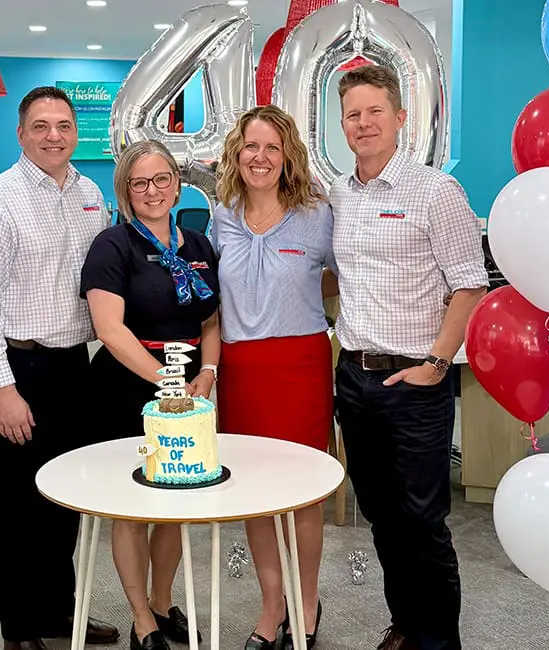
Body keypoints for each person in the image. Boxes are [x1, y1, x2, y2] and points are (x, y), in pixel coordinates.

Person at [329, 65, 488, 650]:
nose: (364, 123)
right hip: (354, 377)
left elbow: (470, 283)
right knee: (381, 515)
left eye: (375, 112)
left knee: (422, 521)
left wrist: (438, 365)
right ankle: (406, 623)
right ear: (341, 125)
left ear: (400, 118)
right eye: (353, 114)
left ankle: (439, 641)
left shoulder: (436, 191)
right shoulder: (338, 196)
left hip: (416, 381)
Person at [0, 86, 120, 650]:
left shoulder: (90, 193)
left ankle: (60, 615)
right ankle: (20, 630)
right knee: (19, 505)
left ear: (77, 133)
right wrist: (2, 388)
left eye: (64, 125)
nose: (54, 135)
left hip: (74, 365)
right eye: (42, 126)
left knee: (64, 502)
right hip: (16, 369)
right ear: (22, 133)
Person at [80, 139, 221, 650]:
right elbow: (110, 330)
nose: (152, 190)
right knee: (132, 507)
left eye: (161, 179)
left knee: (175, 502)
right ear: (125, 193)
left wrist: (206, 373)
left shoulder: (199, 247)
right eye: (139, 183)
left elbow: (210, 320)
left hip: (187, 389)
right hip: (126, 386)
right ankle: (141, 619)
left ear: (178, 185)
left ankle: (163, 604)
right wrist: (167, 381)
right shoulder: (111, 247)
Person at [210, 105, 335, 650]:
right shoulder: (220, 217)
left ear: (288, 158)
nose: (260, 158)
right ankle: (271, 605)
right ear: (237, 154)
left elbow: (342, 276)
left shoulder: (317, 215)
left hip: (300, 366)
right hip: (242, 370)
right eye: (251, 147)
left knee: (304, 494)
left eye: (272, 148)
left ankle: (306, 604)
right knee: (255, 490)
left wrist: (297, 295)